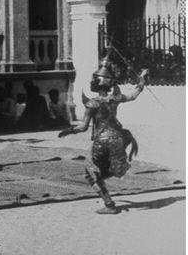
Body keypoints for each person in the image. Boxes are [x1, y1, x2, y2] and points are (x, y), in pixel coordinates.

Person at [58, 55, 148, 214]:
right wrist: (141, 81)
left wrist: (69, 131)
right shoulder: (115, 99)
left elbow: (84, 127)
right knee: (103, 169)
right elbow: (133, 95)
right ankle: (108, 192)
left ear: (95, 82)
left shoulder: (92, 103)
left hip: (102, 140)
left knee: (90, 174)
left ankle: (109, 204)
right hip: (119, 138)